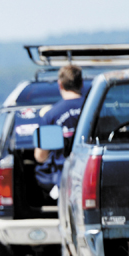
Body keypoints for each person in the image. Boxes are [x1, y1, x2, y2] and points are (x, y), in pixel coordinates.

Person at [33, 64, 84, 200]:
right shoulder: (95, 109)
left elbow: (40, 156)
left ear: (60, 84)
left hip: (65, 179)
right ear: (81, 83)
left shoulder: (51, 115)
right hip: (92, 175)